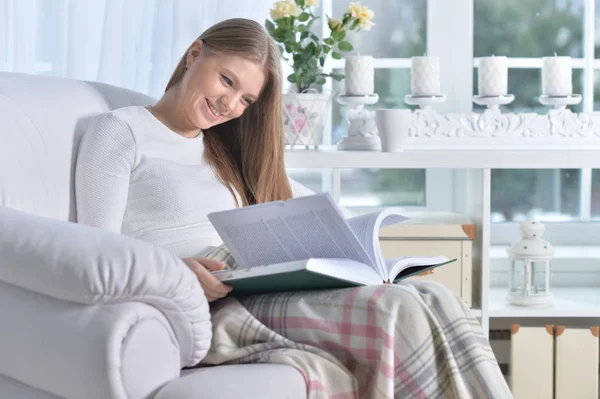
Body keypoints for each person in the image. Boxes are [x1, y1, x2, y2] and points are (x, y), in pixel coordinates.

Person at [75, 18, 512, 398]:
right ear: (194, 54)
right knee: (397, 309)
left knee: (435, 294)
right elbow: (97, 254)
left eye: (246, 100)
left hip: (255, 280)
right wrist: (174, 272)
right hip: (203, 302)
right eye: (227, 81)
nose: (230, 105)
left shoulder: (221, 153)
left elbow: (312, 205)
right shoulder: (121, 130)